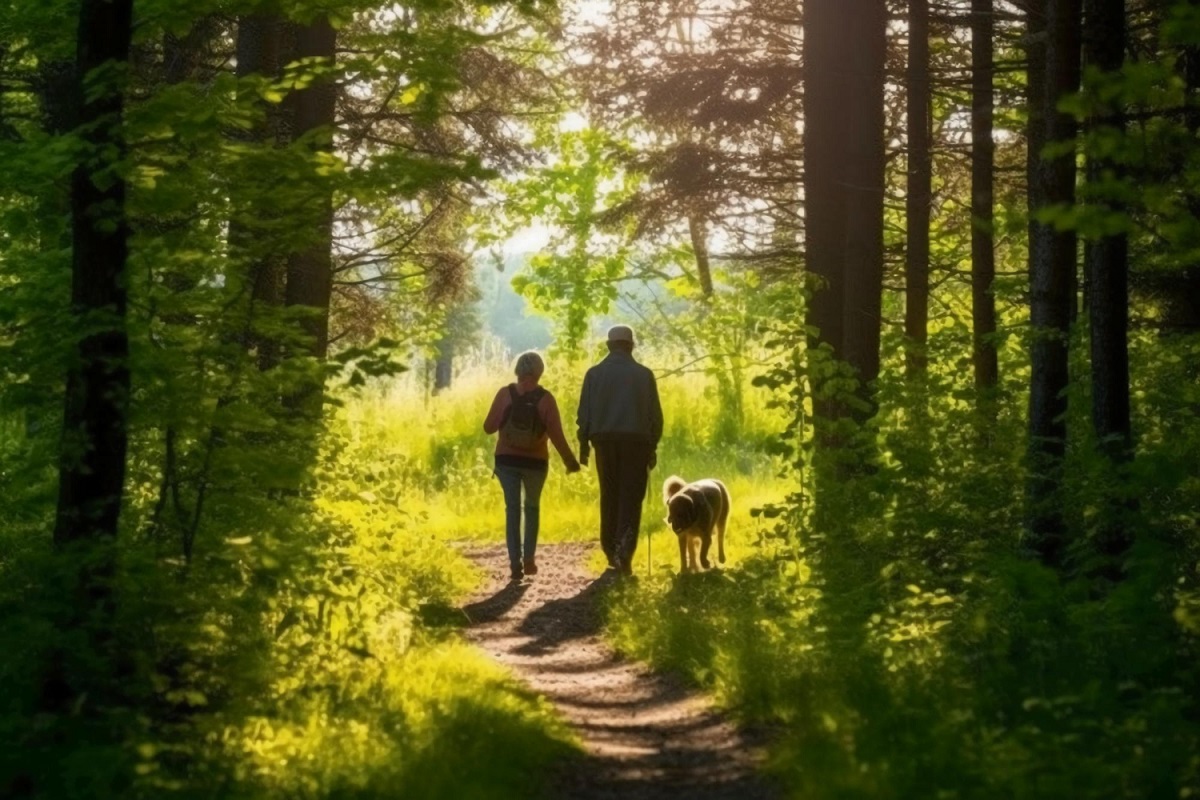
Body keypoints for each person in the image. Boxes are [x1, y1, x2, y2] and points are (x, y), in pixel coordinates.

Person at [483, 351, 581, 581]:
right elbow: (556, 435)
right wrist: (569, 460)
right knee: (532, 508)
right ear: (539, 372)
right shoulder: (546, 399)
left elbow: (488, 427)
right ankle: (529, 559)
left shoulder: (505, 394)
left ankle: (514, 563)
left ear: (517, 369)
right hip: (536, 462)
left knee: (512, 509)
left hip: (506, 460)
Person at [576, 325, 664, 575]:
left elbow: (584, 413)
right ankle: (624, 553)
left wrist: (584, 443)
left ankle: (609, 550)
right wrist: (652, 446)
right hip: (636, 443)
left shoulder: (594, 374)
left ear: (608, 345)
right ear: (631, 345)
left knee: (609, 494)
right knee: (631, 498)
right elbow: (655, 416)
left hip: (603, 442)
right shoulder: (644, 375)